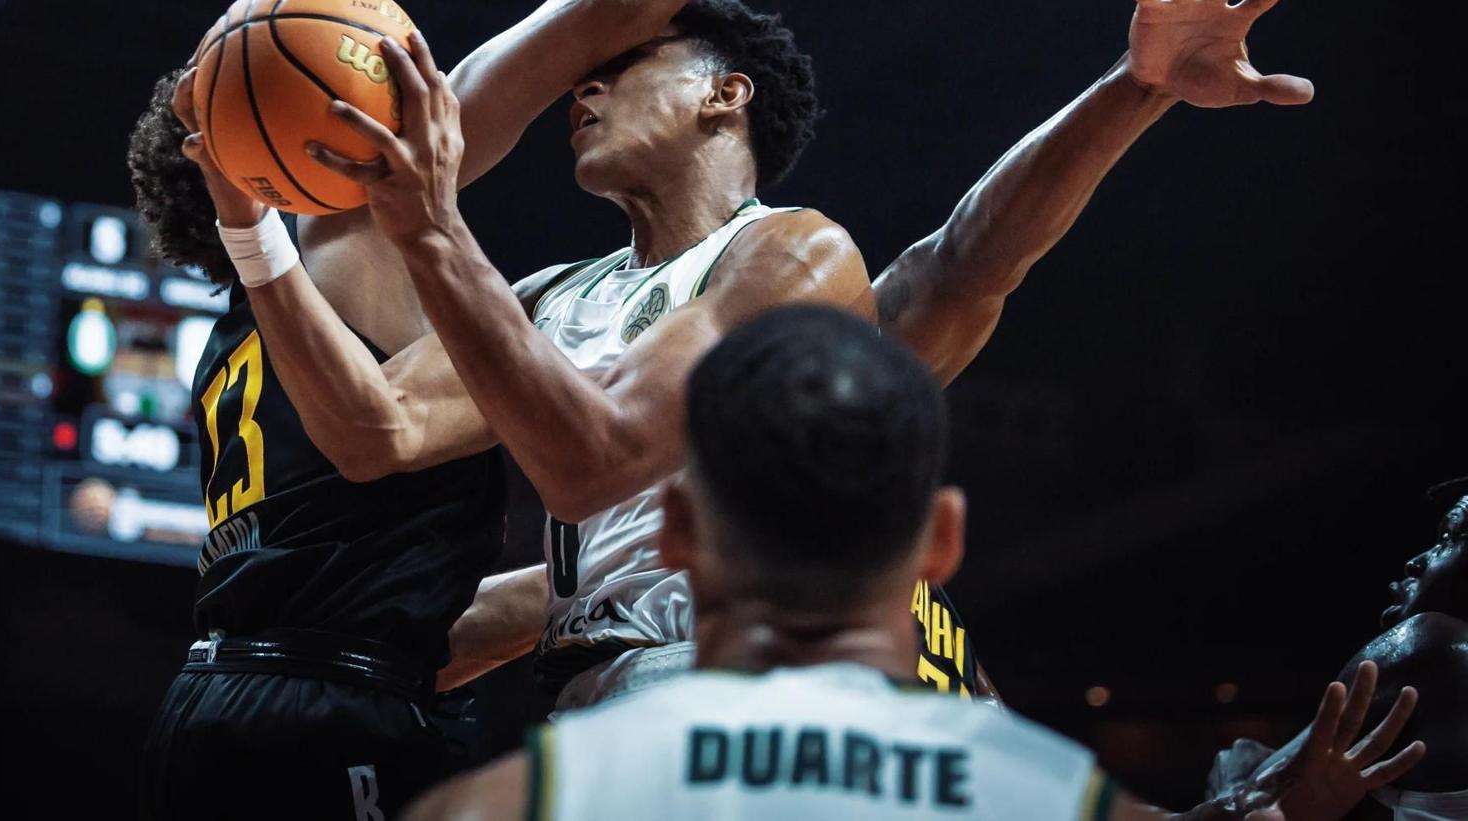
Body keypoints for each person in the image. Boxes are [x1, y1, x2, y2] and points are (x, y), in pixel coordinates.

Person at [130, 0, 1027, 819]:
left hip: (211, 697)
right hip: (343, 710)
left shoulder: (234, 339)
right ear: (306, 133)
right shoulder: (353, 219)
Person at [187, 0, 1311, 710]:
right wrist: (260, 236)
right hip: (604, 682)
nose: (581, 91)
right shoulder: (547, 298)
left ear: (725, 93)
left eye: (621, 73)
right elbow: (379, 428)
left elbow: (969, 258)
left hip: (757, 683)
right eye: (584, 81)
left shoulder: (789, 252)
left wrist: (1134, 86)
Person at [403, 306, 1424, 820]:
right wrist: (1285, 805)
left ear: (670, 531)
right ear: (940, 540)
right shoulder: (1044, 788)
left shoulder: (523, 796)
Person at [1210, 477, 1466, 820]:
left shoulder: (1438, 646)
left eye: (1448, 539)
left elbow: (1252, 798)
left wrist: (1235, 780)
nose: (1416, 563)